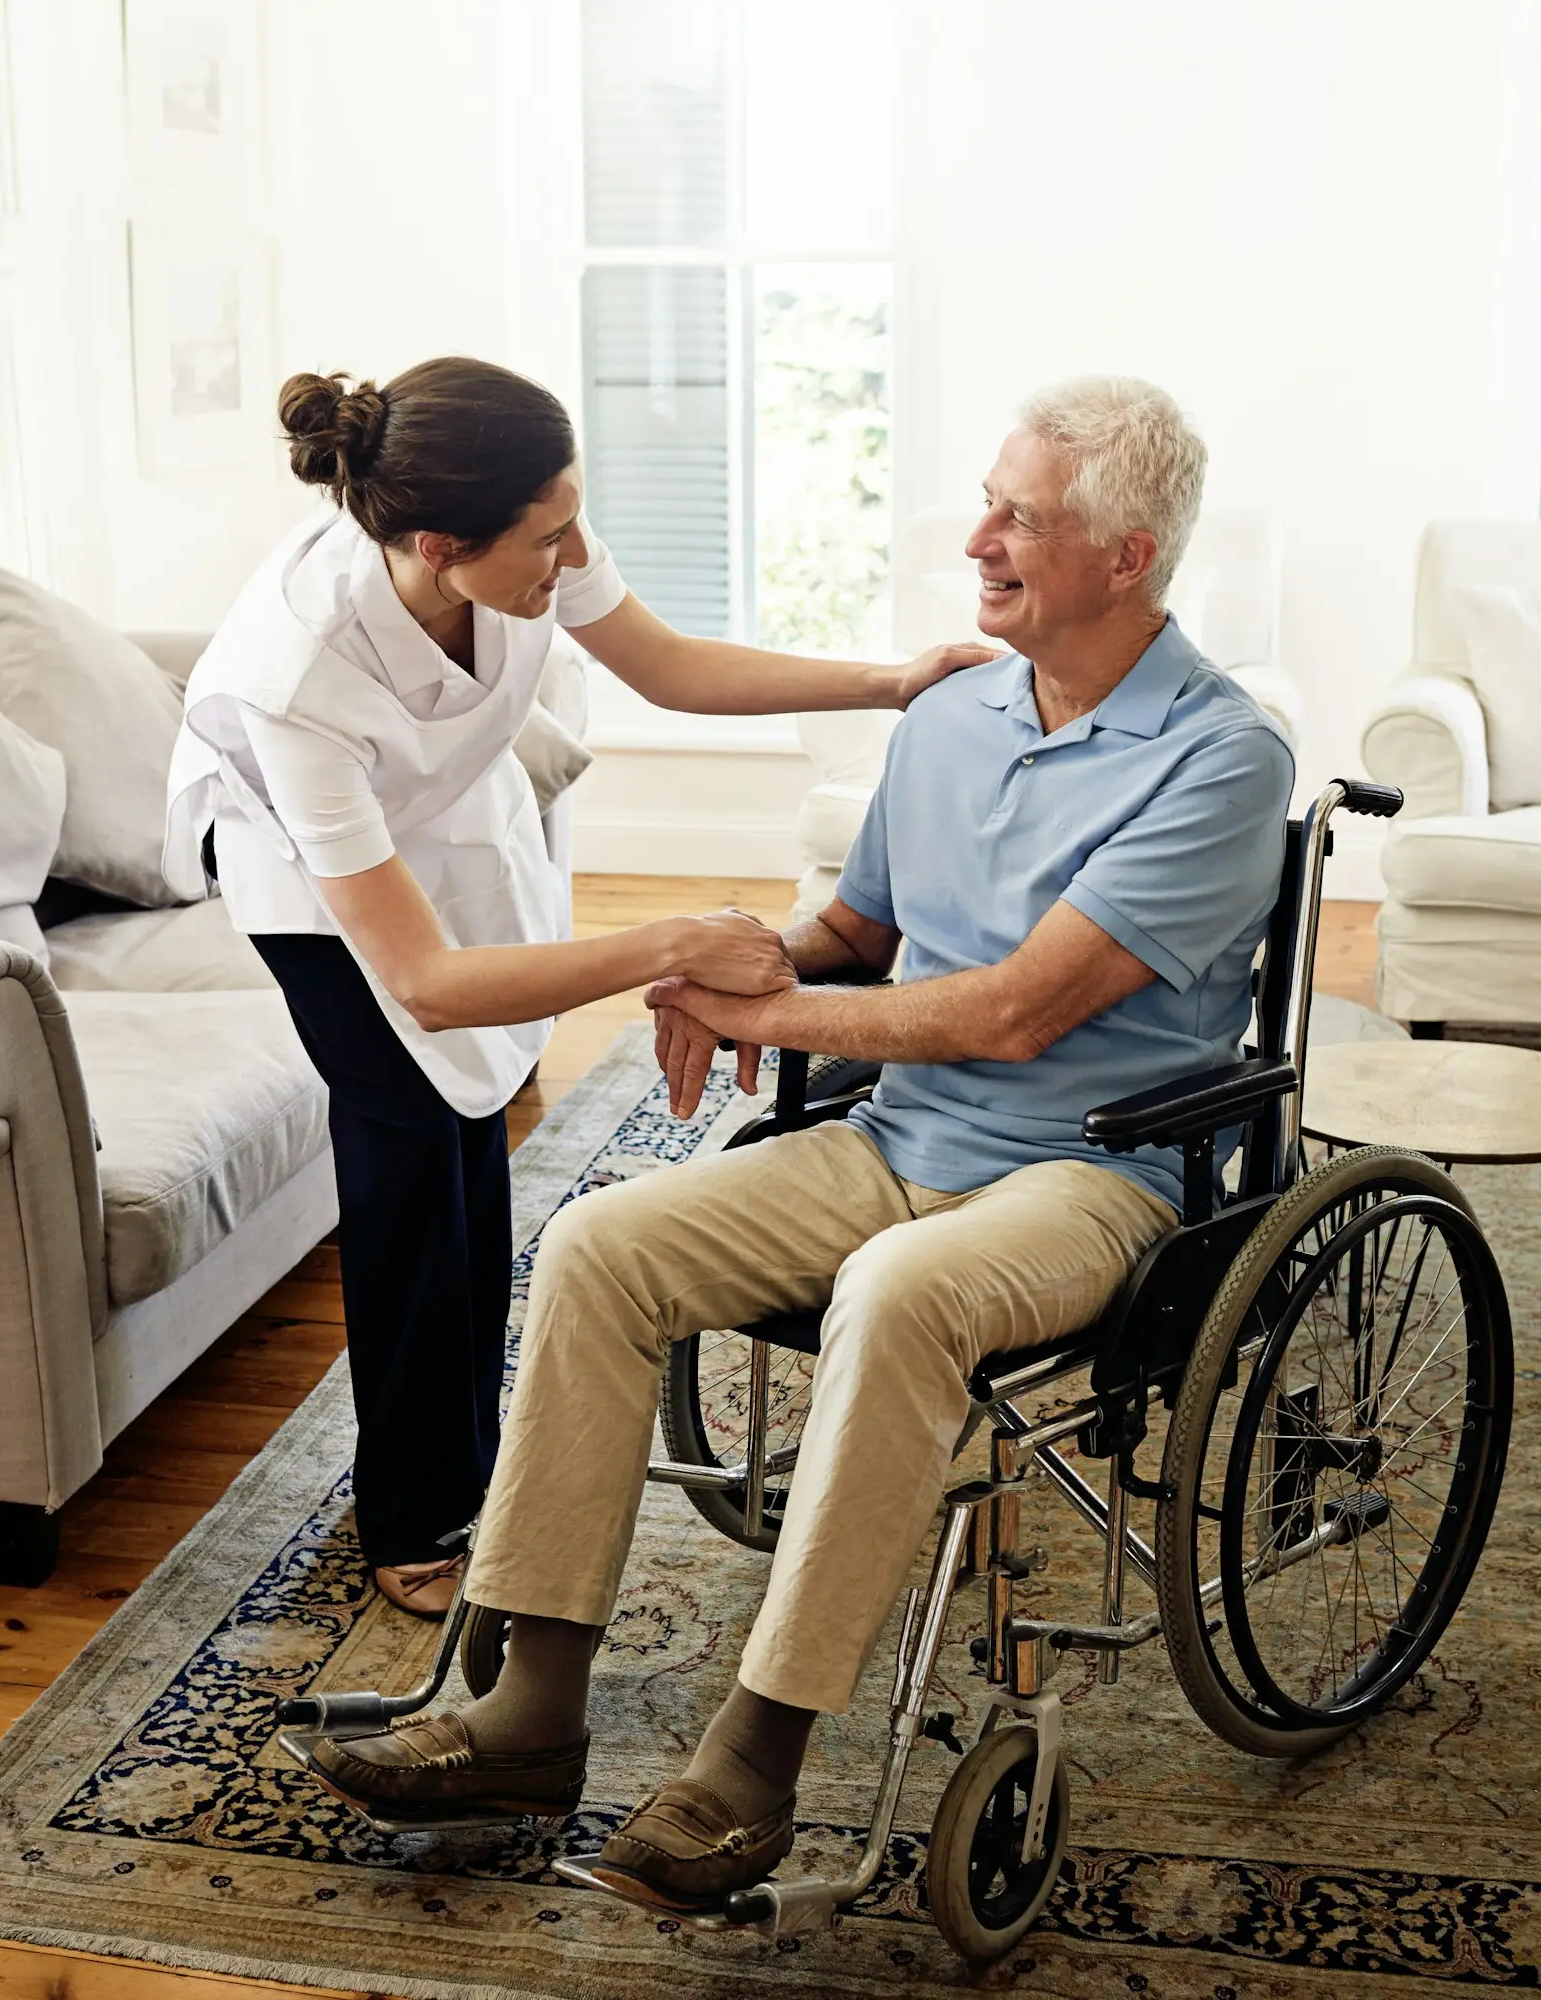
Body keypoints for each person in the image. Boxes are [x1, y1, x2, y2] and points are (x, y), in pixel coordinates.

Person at [300, 376, 1298, 1912]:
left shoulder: (1225, 758)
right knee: (600, 1241)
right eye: (987, 499)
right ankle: (529, 1713)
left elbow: (1021, 1014)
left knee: (902, 1291)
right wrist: (725, 961)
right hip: (900, 1141)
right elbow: (852, 933)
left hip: (1092, 1174)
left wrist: (744, 1005)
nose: (976, 538)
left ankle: (752, 1769)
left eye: (1018, 517)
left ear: (1127, 556)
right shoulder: (954, 711)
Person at [163, 356, 989, 1621]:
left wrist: (886, 682)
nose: (570, 557)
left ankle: (474, 1454)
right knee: (404, 1175)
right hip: (309, 875)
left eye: (569, 521)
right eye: (545, 542)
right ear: (441, 546)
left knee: (474, 1149)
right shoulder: (294, 684)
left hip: (439, 816)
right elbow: (428, 983)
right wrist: (672, 941)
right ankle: (411, 1507)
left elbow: (666, 667)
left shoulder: (515, 527)